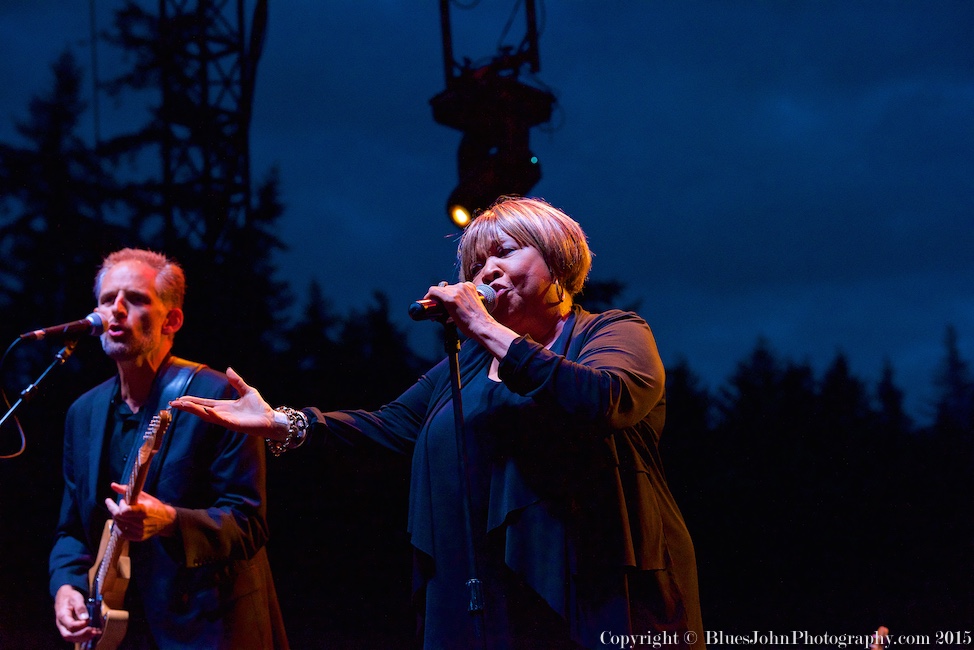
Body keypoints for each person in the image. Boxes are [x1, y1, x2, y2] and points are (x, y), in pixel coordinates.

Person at [171, 196, 705, 649]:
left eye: (506, 252)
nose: (486, 272)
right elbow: (387, 428)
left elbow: (604, 399)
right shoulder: (466, 365)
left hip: (596, 586)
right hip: (485, 593)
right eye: (476, 265)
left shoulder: (612, 332)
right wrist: (282, 423)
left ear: (559, 263)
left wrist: (482, 327)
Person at [50, 248, 288, 649]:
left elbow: (250, 523)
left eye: (137, 299)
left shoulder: (218, 397)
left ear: (171, 320)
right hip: (120, 632)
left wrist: (171, 520)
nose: (117, 309)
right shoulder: (83, 412)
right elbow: (72, 529)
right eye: (108, 300)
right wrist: (67, 586)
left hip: (211, 628)